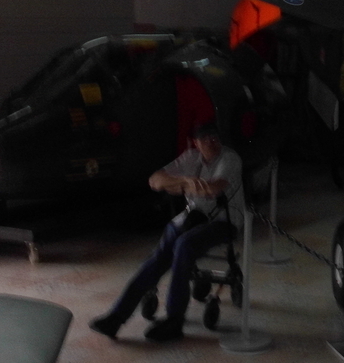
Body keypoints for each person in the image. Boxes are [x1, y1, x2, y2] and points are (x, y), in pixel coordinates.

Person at [90, 122, 245, 342]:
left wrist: (176, 185)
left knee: (184, 245)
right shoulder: (191, 157)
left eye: (215, 137)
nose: (212, 141)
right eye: (206, 138)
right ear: (195, 143)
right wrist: (185, 181)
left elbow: (212, 188)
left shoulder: (230, 158)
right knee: (159, 257)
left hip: (224, 220)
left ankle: (175, 320)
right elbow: (155, 180)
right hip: (192, 217)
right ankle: (116, 317)